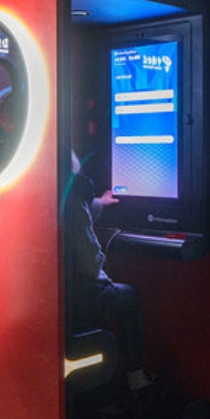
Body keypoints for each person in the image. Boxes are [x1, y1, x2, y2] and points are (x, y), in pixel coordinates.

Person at [67, 152, 154, 395]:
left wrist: (99, 204)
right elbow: (90, 262)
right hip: (74, 296)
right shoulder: (73, 196)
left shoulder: (45, 188)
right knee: (128, 297)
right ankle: (136, 378)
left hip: (49, 297)